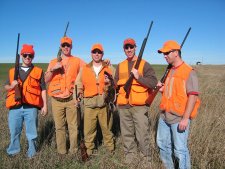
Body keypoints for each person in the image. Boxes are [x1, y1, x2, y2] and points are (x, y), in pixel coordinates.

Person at [156, 40, 201, 169]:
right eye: (163, 53)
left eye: (166, 53)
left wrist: (186, 119)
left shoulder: (188, 71)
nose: (164, 56)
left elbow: (193, 96)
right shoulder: (170, 70)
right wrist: (162, 90)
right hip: (164, 116)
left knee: (180, 150)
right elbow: (172, 93)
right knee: (163, 145)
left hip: (179, 118)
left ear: (176, 53)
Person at [114, 38, 158, 165]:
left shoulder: (144, 64)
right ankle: (130, 158)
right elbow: (116, 84)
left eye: (131, 47)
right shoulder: (120, 65)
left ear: (135, 48)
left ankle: (146, 160)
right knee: (127, 134)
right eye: (126, 47)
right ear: (124, 49)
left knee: (142, 134)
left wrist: (139, 77)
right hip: (123, 105)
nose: (129, 50)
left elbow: (153, 83)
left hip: (139, 106)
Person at [5, 44, 47, 158]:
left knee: (32, 132)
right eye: (25, 55)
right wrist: (12, 86)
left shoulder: (38, 71)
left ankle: (32, 153)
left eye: (30, 55)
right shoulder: (12, 71)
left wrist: (45, 105)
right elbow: (6, 87)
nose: (28, 57)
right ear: (21, 56)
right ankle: (13, 152)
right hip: (15, 107)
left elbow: (43, 89)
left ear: (33, 56)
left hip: (31, 107)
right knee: (14, 131)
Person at [45, 36, 85, 155]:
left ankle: (73, 151)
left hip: (71, 99)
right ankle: (62, 152)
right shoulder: (53, 62)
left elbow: (89, 69)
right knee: (59, 127)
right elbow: (46, 80)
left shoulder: (77, 61)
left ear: (71, 46)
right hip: (56, 101)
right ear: (60, 47)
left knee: (73, 127)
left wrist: (105, 62)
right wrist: (53, 69)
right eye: (64, 45)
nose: (66, 47)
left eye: (68, 45)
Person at [75, 43, 115, 156]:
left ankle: (110, 150)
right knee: (89, 131)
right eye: (94, 52)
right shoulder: (85, 68)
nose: (96, 54)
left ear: (102, 54)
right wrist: (79, 93)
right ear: (91, 54)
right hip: (89, 104)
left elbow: (115, 82)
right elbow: (78, 82)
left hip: (104, 104)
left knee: (107, 129)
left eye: (99, 52)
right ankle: (88, 151)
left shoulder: (109, 67)